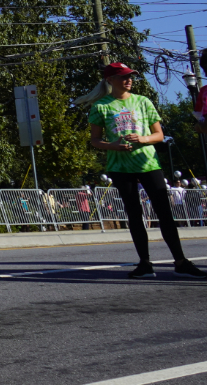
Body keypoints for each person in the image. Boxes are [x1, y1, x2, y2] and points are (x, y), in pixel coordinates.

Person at [87, 61, 207, 279]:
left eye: (130, 76)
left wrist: (142, 139)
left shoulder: (143, 102)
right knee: (134, 215)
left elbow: (159, 135)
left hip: (148, 164)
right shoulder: (101, 106)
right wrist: (113, 145)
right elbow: (95, 140)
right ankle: (144, 263)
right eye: (123, 77)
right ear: (110, 80)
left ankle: (180, 261)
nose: (129, 80)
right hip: (120, 167)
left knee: (165, 213)